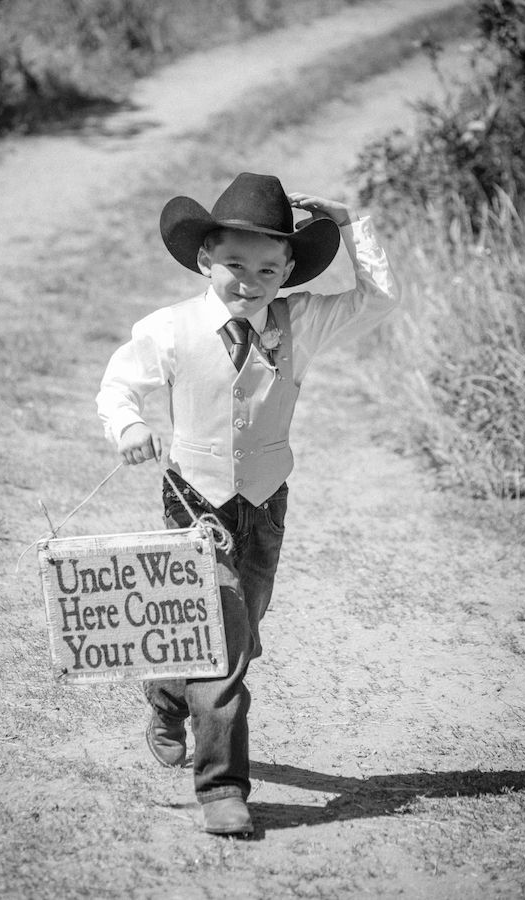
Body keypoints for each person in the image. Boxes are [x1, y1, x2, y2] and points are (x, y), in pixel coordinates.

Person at [96, 172, 399, 836]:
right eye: (234, 263)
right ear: (205, 258)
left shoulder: (301, 322)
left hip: (263, 504)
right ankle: (223, 788)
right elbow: (119, 383)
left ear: (290, 269)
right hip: (193, 501)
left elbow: (378, 298)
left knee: (241, 630)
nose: (249, 279)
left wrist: (352, 226)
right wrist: (131, 426)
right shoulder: (171, 328)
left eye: (268, 267)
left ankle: (167, 695)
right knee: (223, 648)